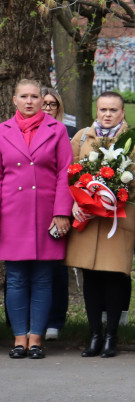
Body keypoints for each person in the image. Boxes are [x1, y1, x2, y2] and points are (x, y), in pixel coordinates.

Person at [65, 91, 135, 358]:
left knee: (113, 277)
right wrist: (79, 201)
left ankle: (112, 335)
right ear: (96, 111)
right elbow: (70, 173)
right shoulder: (81, 137)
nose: (108, 114)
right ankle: (94, 335)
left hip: (115, 219)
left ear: (122, 112)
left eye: (113, 110)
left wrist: (107, 198)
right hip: (87, 221)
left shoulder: (134, 142)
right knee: (91, 278)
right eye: (103, 110)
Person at [0, 79, 73, 360]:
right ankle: (19, 338)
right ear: (14, 100)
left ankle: (36, 339)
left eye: (34, 96)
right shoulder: (3, 130)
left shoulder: (56, 130)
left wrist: (61, 212)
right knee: (16, 278)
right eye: (24, 96)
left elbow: (65, 173)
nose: (30, 101)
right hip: (12, 214)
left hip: (46, 213)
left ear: (42, 101)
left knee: (43, 279)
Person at [40, 87, 74, 341]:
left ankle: (55, 321)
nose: (48, 108)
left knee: (56, 268)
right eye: (45, 103)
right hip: (31, 209)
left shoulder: (67, 133)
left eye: (53, 104)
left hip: (59, 209)